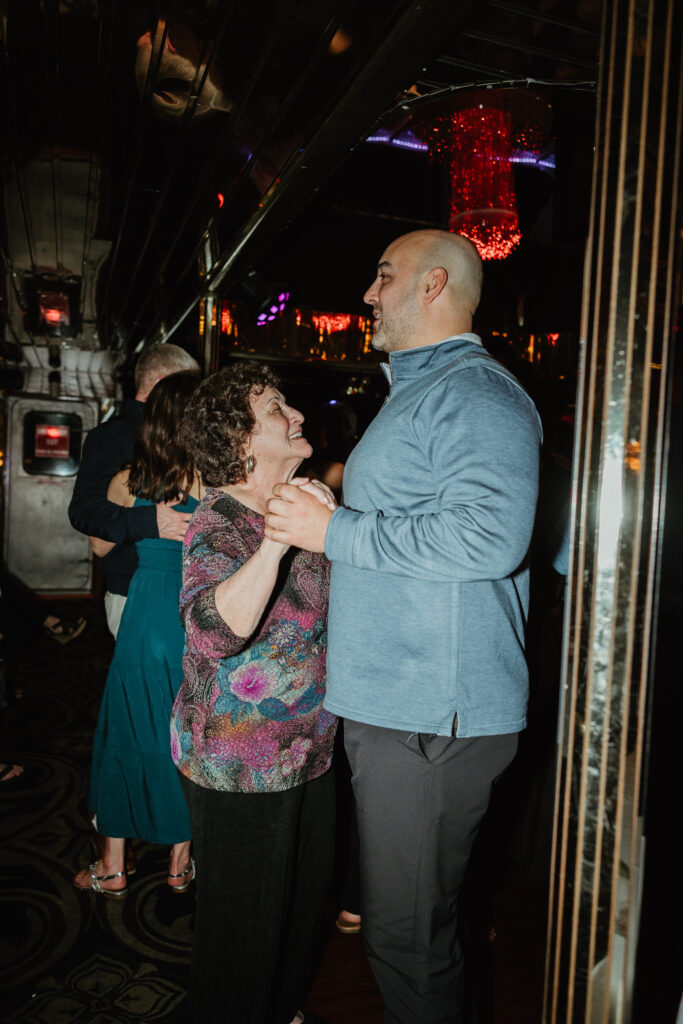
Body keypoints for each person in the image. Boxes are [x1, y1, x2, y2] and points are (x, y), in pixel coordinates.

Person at [265, 229, 542, 1023]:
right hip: (405, 701)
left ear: (432, 285)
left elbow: (491, 538)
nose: (367, 294)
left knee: (407, 939)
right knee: (407, 931)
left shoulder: (473, 391)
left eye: (382, 276)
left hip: (430, 711)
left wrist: (336, 531)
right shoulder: (428, 390)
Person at [169, 362, 337, 1024]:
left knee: (300, 912)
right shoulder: (220, 521)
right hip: (236, 767)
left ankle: (281, 1009)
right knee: (241, 938)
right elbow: (211, 633)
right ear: (240, 440)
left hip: (310, 751)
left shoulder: (302, 505)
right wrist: (273, 545)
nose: (296, 415)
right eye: (276, 409)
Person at [74, 371, 202, 898]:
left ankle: (113, 867)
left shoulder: (129, 481)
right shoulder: (219, 483)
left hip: (145, 613)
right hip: (195, 613)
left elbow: (98, 547)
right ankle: (179, 864)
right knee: (187, 730)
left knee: (126, 728)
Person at [68, 342, 199, 638]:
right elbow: (84, 511)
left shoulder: (186, 436)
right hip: (134, 589)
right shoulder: (112, 436)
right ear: (165, 385)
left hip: (185, 586)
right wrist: (149, 520)